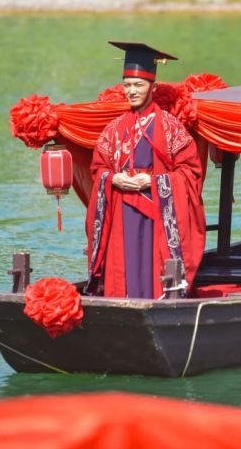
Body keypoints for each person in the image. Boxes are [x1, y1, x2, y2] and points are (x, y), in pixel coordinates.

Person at [85, 42, 206, 299]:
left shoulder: (170, 126)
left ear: (153, 87)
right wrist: (112, 178)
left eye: (138, 85)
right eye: (127, 85)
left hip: (156, 209)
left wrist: (153, 181)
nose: (131, 91)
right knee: (123, 266)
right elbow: (97, 168)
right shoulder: (114, 128)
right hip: (121, 208)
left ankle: (156, 299)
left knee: (150, 265)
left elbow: (190, 171)